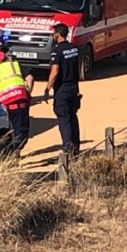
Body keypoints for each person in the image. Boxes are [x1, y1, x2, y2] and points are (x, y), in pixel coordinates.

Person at [0, 46, 33, 156]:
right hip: (20, 102)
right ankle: (14, 151)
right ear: (6, 57)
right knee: (21, 132)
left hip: (6, 108)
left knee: (8, 133)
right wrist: (28, 93)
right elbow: (30, 78)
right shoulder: (14, 65)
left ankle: (10, 154)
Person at [44, 23, 81, 158]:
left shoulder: (57, 51)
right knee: (73, 117)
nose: (53, 35)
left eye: (54, 33)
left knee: (63, 119)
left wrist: (47, 88)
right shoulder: (74, 48)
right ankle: (76, 148)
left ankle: (68, 149)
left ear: (58, 34)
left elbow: (55, 71)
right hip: (74, 87)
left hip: (62, 89)